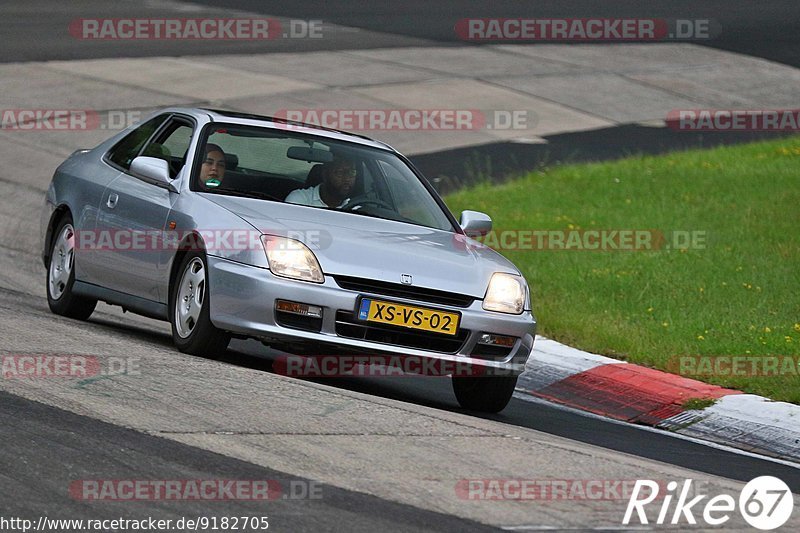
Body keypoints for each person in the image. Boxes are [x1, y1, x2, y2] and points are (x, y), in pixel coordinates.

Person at [285, 157, 356, 208]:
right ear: (325, 175)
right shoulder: (299, 200)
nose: (347, 178)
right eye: (340, 173)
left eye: (352, 172)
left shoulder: (356, 208)